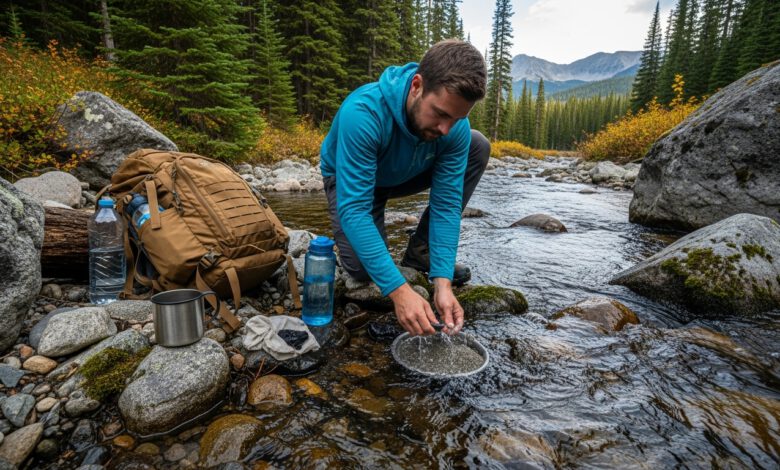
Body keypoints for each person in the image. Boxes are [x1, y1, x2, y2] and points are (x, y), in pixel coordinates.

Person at [320, 39, 490, 337]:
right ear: (416, 86)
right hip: (352, 179)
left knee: (476, 144)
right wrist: (400, 291)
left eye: (457, 118)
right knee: (361, 271)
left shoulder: (452, 129)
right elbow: (354, 209)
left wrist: (443, 282)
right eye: (440, 113)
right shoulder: (363, 113)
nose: (445, 129)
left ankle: (420, 254)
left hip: (406, 170)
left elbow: (447, 205)